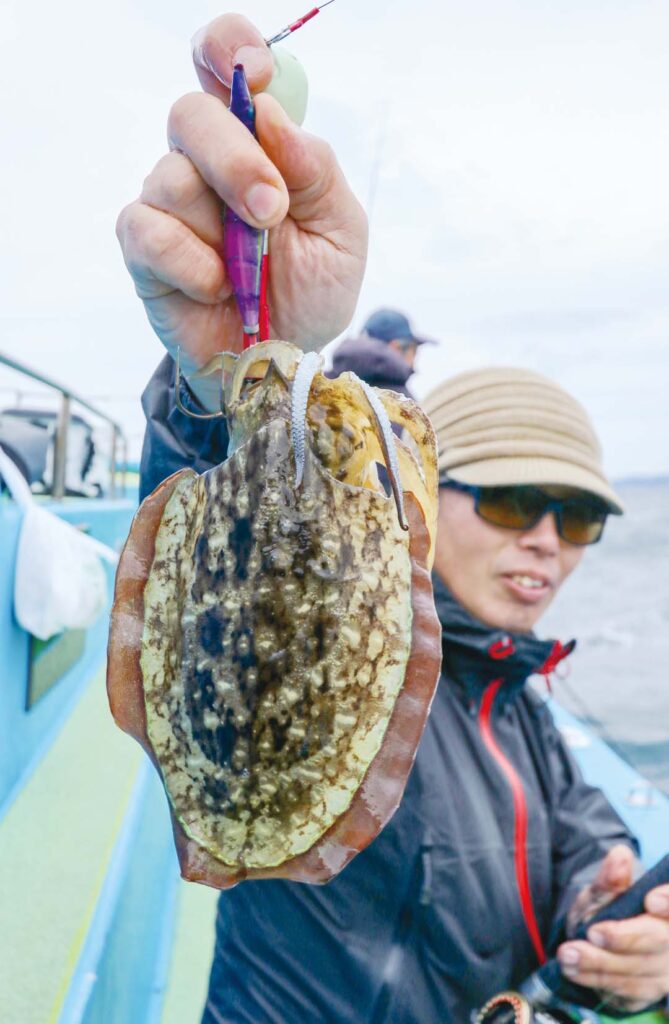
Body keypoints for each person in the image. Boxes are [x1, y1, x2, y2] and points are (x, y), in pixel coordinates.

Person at [116, 13, 669, 1020]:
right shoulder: (339, 610)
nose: (546, 539)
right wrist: (227, 378)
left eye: (579, 520)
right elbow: (232, 579)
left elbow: (580, 831)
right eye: (514, 501)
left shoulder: (521, 705)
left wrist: (617, 921)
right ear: (421, 497)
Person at [329, 308, 436, 397]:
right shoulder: (403, 403)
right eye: (414, 350)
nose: (415, 357)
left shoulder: (325, 383)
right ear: (396, 347)